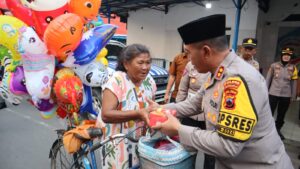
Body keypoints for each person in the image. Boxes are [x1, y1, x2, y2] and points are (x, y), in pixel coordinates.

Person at [149, 14, 293, 168]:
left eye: (189, 52)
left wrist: (178, 129)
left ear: (206, 52)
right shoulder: (217, 73)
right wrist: (160, 108)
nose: (188, 59)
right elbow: (193, 104)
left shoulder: (237, 81)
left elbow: (228, 146)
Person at [100, 44, 156, 169]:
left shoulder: (150, 81)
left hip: (142, 143)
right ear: (126, 64)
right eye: (140, 63)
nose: (145, 67)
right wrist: (138, 113)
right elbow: (106, 114)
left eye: (148, 62)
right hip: (118, 145)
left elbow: (151, 107)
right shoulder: (116, 81)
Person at [176, 62, 215, 169]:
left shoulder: (217, 66)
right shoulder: (190, 65)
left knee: (210, 154)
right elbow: (182, 90)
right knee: (188, 151)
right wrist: (178, 113)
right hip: (190, 114)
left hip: (209, 117)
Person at [266, 47, 298, 140]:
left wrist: (293, 96)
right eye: (285, 55)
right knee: (269, 112)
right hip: (273, 93)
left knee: (281, 114)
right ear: (281, 56)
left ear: (291, 57)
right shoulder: (273, 66)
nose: (286, 57)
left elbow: (294, 82)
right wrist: (265, 92)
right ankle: (267, 130)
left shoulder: (293, 68)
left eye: (288, 56)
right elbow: (268, 79)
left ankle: (277, 130)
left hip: (286, 95)